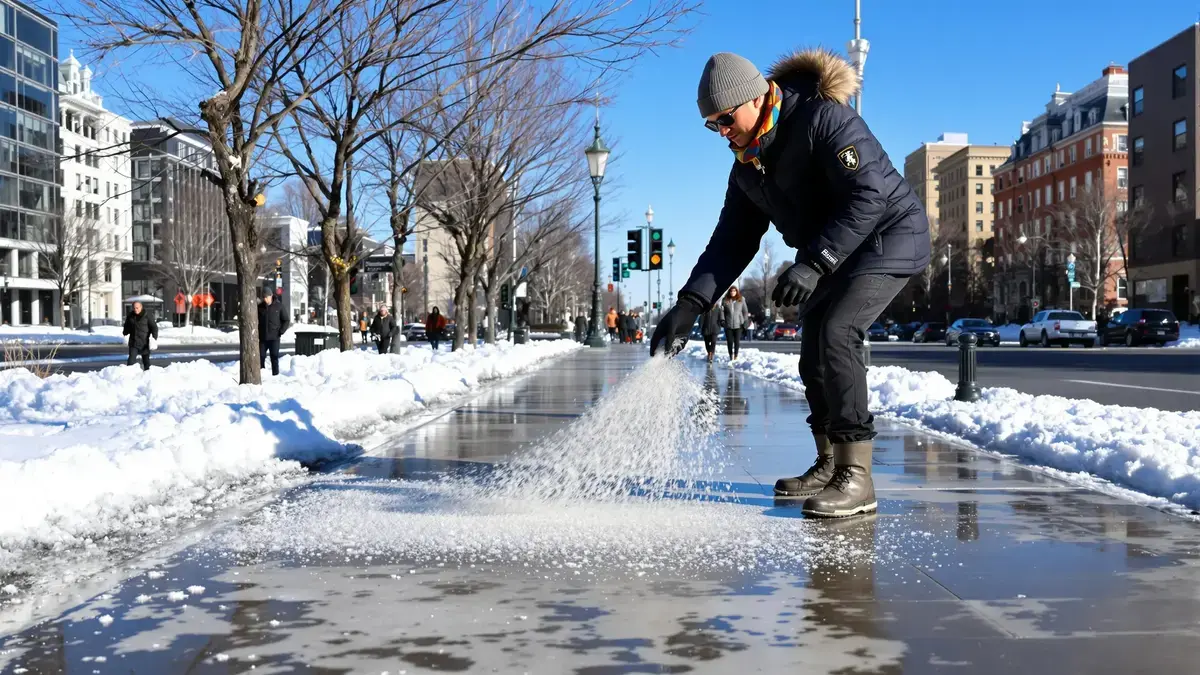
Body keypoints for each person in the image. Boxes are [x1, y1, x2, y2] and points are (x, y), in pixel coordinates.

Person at [650, 49, 930, 518]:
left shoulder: (824, 119)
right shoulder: (747, 167)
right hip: (836, 250)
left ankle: (858, 478)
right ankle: (828, 463)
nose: (721, 131)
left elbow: (869, 195)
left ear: (755, 99)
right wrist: (690, 305)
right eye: (711, 125)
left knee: (837, 332)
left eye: (725, 118)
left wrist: (815, 263)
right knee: (812, 350)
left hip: (889, 234)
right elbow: (731, 241)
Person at [258, 292, 288, 375]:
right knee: (261, 356)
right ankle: (262, 374)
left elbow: (286, 320)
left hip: (274, 337)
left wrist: (281, 331)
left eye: (266, 297)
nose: (265, 299)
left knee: (274, 357)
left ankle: (275, 375)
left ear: (271, 296)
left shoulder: (279, 306)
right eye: (263, 297)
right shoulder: (260, 307)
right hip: (263, 337)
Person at [123, 301, 158, 371]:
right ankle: (129, 376)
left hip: (144, 342)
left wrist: (154, 338)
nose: (135, 309)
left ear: (141, 307)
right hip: (133, 342)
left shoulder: (147, 315)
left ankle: (147, 375)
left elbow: (154, 327)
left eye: (137, 308)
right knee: (131, 361)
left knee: (146, 362)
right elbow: (126, 326)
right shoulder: (130, 316)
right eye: (134, 308)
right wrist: (125, 332)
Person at [722, 286, 748, 360]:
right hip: (728, 325)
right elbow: (722, 311)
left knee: (737, 341)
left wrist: (745, 320)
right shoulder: (725, 300)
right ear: (729, 292)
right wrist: (722, 320)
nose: (733, 292)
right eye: (731, 291)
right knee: (730, 342)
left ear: (736, 292)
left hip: (739, 324)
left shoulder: (741, 299)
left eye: (734, 291)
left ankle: (736, 355)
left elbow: (745, 311)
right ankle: (730, 355)